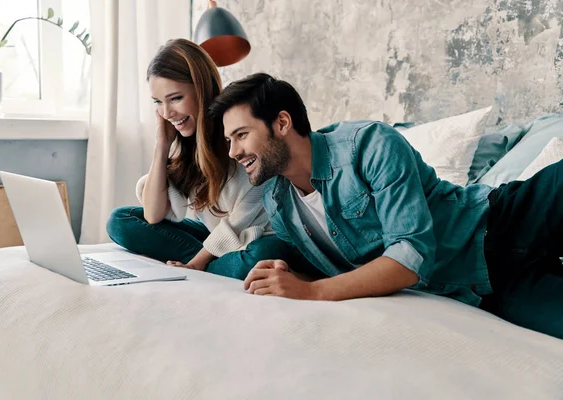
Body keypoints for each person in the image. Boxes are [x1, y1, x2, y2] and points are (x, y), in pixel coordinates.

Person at [207, 72, 563, 339]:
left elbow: (410, 256)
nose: (233, 152)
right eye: (228, 140)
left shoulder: (368, 145)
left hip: (501, 222)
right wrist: (298, 279)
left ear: (282, 122)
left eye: (241, 135)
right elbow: (346, 271)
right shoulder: (277, 201)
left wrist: (311, 292)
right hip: (480, 289)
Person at [106, 40, 304, 280]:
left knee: (265, 253)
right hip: (217, 238)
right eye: (158, 102)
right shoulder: (187, 144)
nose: (167, 113)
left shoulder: (238, 135)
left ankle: (205, 267)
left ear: (201, 89)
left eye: (175, 98)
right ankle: (217, 266)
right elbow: (153, 215)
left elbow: (240, 221)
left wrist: (195, 265)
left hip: (257, 236)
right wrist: (162, 146)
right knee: (120, 221)